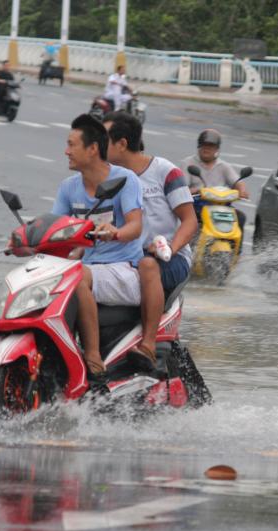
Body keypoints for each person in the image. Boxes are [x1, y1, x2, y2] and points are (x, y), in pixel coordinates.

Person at [52, 114, 144, 375]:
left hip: (124, 269)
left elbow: (135, 226)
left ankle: (92, 355)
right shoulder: (68, 187)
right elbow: (56, 228)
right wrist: (24, 242)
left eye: (72, 145)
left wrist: (115, 233)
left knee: (75, 275)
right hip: (89, 267)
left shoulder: (125, 180)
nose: (66, 151)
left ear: (93, 149)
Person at [104, 111, 197, 367]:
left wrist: (169, 247)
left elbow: (190, 221)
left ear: (122, 144)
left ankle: (147, 344)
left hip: (169, 259)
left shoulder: (166, 172)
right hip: (124, 258)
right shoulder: (109, 178)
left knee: (148, 265)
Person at [181, 129, 249, 237]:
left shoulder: (224, 166)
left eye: (211, 146)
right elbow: (181, 189)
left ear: (217, 149)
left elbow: (237, 182)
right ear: (199, 146)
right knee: (190, 220)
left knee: (240, 217)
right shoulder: (188, 163)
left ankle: (236, 252)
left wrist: (242, 190)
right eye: (204, 145)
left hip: (221, 207)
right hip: (197, 206)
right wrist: (194, 191)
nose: (207, 149)